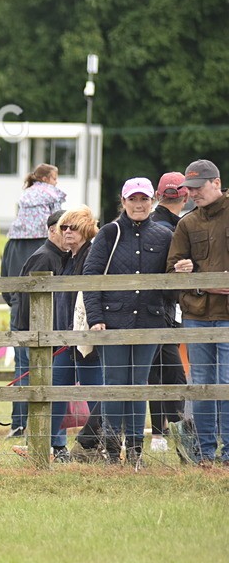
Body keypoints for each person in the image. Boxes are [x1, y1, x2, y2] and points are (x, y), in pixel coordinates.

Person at [84, 178, 174, 468]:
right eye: (132, 199)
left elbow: (170, 282)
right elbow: (91, 276)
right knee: (114, 384)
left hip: (149, 320)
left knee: (138, 385)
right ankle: (112, 451)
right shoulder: (110, 233)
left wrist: (183, 271)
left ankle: (135, 450)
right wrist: (96, 318)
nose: (138, 205)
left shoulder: (164, 235)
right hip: (113, 321)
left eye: (144, 199)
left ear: (152, 201)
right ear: (123, 202)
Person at [167, 159, 229, 466]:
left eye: (198, 187)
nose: (192, 194)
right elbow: (170, 271)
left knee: (227, 382)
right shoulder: (186, 224)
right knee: (201, 384)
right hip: (196, 314)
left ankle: (228, 452)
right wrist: (199, 280)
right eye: (188, 189)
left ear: (216, 183)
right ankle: (205, 452)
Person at [3, 164, 66, 436]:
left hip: (19, 310)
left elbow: (5, 277)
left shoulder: (13, 238)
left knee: (22, 366)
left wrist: (16, 302)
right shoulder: (53, 243)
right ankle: (44, 424)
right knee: (49, 367)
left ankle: (19, 422)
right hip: (52, 311)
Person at [48, 207, 107, 463]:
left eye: (73, 227)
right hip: (65, 339)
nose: (67, 232)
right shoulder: (67, 259)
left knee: (95, 393)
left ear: (86, 229)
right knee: (55, 389)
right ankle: (46, 445)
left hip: (85, 338)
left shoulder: (92, 256)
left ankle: (102, 444)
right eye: (64, 227)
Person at [145, 171, 190, 451]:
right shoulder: (175, 231)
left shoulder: (148, 224)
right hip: (163, 311)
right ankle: (174, 434)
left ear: (158, 195)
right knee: (172, 375)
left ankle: (162, 434)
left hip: (147, 310)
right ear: (185, 197)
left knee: (154, 373)